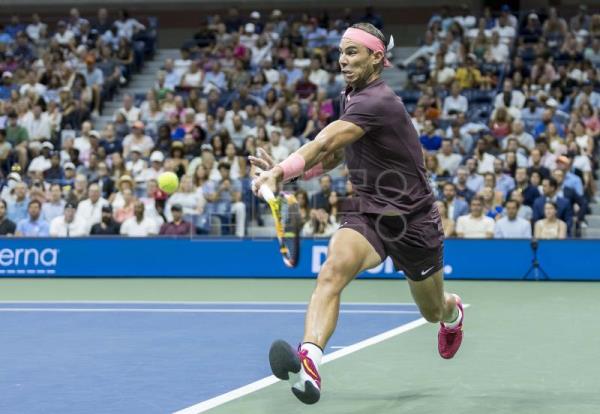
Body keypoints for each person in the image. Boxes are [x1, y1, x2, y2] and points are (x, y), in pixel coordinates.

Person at [251, 23, 464, 405]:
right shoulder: (351, 96)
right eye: (341, 52)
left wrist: (280, 171)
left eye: (352, 53)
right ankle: (310, 362)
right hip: (368, 212)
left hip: (413, 220)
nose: (342, 60)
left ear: (377, 58)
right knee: (332, 271)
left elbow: (325, 141)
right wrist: (290, 173)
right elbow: (333, 156)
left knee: (433, 311)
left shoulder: (378, 101)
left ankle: (454, 312)